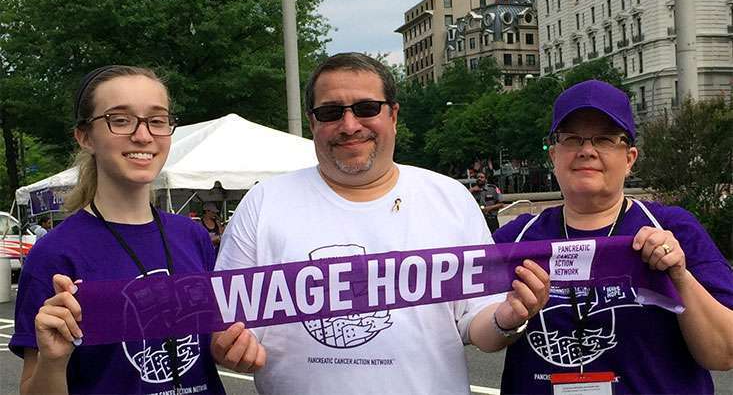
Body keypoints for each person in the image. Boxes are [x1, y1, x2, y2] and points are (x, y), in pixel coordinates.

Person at [212, 52, 550, 394]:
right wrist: (230, 347)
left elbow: (477, 322)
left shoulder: (450, 199)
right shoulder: (263, 204)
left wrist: (508, 319)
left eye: (366, 108)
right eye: (331, 112)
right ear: (312, 123)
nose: (349, 125)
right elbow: (228, 322)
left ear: (393, 115)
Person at [492, 79, 733, 394]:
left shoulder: (674, 230)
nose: (587, 151)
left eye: (604, 139)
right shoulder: (516, 239)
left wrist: (679, 277)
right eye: (572, 139)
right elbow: (467, 325)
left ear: (630, 158)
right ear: (553, 155)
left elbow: (724, 353)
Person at [10, 66, 225, 394]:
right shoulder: (55, 254)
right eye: (120, 120)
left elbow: (207, 349)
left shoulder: (192, 237)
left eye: (157, 120)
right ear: (85, 137)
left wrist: (234, 349)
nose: (143, 135)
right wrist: (53, 362)